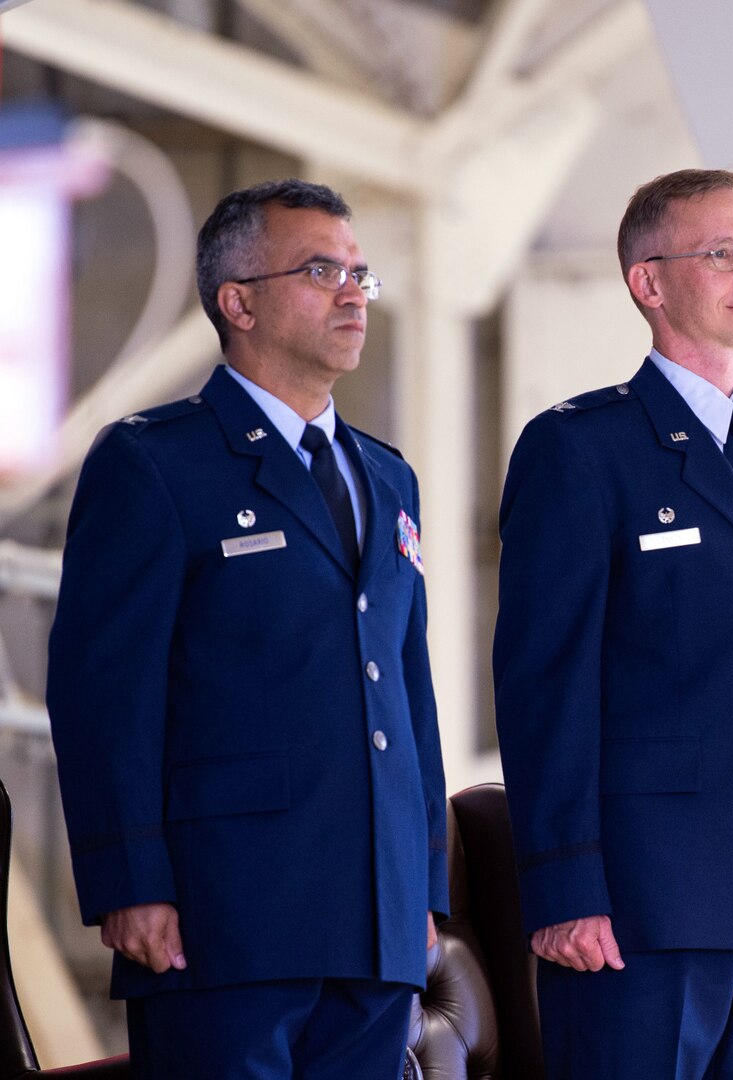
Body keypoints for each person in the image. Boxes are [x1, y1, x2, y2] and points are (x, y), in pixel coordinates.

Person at [46, 178, 447, 1079]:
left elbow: (409, 691)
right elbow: (103, 694)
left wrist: (422, 884)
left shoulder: (388, 479)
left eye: (359, 273)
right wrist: (129, 882)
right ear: (238, 303)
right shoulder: (154, 463)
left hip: (375, 921)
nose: (352, 292)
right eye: (319, 270)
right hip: (222, 914)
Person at [493, 168, 733, 1078]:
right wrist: (565, 884)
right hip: (639, 903)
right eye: (721, 253)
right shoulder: (582, 450)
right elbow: (546, 685)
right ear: (649, 283)